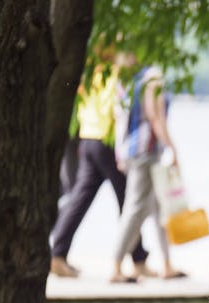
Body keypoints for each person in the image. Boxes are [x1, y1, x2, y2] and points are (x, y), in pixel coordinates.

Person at [49, 54, 149, 279]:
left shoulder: (90, 73)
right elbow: (120, 110)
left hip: (88, 138)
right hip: (107, 141)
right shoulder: (115, 75)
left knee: (80, 199)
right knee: (128, 200)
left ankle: (58, 254)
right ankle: (137, 261)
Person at [110, 62, 186, 282]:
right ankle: (115, 265)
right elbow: (155, 117)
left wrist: (120, 152)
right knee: (135, 210)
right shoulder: (153, 78)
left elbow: (121, 118)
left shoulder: (130, 79)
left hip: (133, 150)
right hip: (146, 151)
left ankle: (167, 264)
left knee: (159, 207)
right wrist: (173, 149)